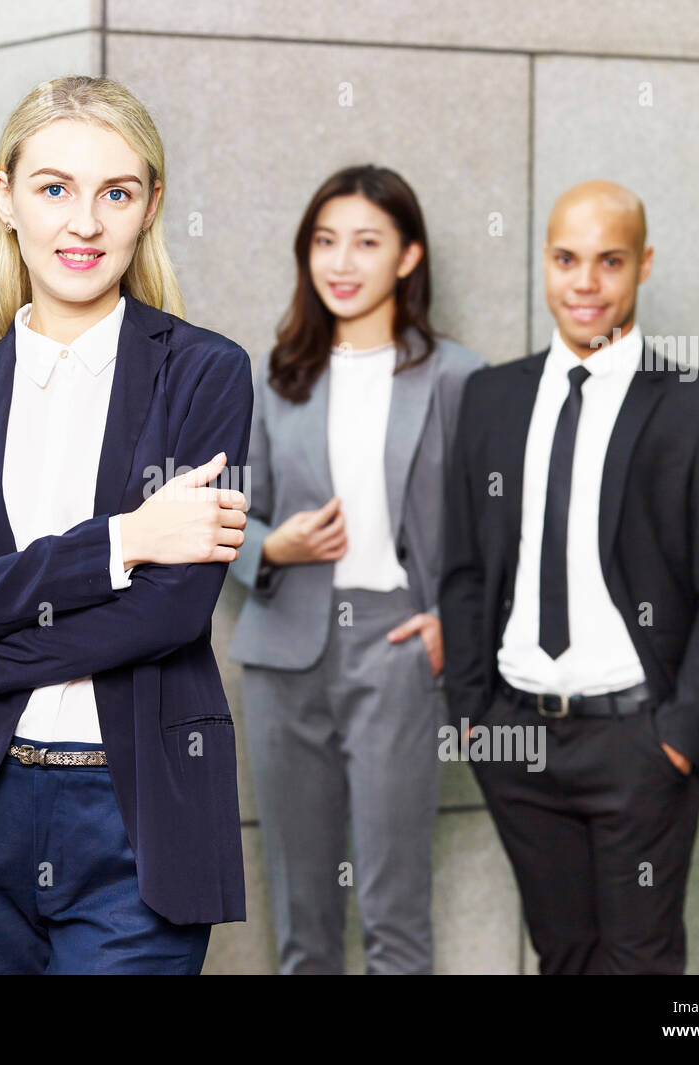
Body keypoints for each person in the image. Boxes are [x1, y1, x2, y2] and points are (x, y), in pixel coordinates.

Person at [0, 75, 253, 975]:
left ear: (149, 206)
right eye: (54, 188)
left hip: (137, 819)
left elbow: (169, 617)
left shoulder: (205, 375)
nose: (83, 223)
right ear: (6, 198)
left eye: (115, 192)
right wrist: (124, 541)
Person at [439, 180, 699, 975]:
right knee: (564, 957)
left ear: (642, 265)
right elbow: (466, 569)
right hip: (514, 736)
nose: (585, 283)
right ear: (545, 263)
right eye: (566, 259)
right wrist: (474, 716)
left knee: (638, 962)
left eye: (608, 261)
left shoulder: (698, 405)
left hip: (638, 741)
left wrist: (681, 735)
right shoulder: (490, 397)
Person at [228, 165, 484, 974]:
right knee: (302, 920)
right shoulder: (277, 375)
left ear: (407, 257)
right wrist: (274, 547)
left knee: (393, 910)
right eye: (325, 242)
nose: (341, 262)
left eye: (366, 243)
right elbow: (234, 517)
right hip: (283, 654)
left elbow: (490, 530)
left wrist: (452, 625)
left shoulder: (456, 377)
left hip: (397, 644)